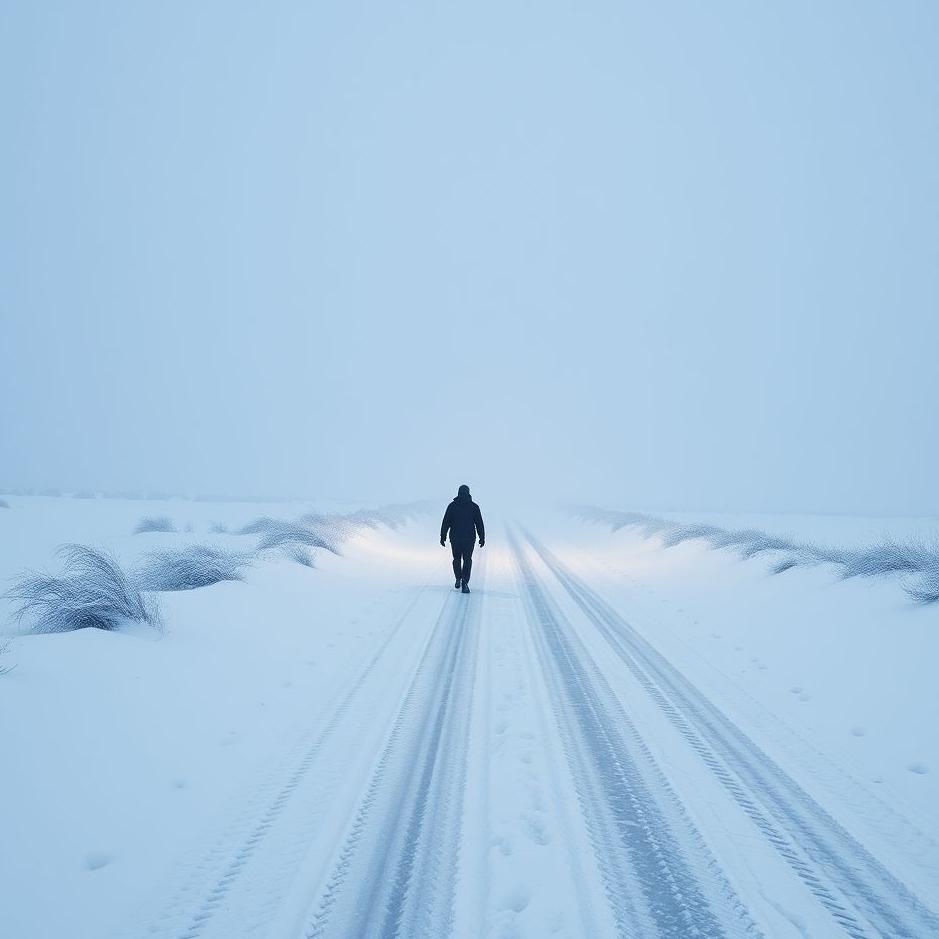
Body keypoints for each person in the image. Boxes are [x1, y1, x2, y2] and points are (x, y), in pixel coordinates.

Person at [440, 484, 485, 593]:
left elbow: (446, 522)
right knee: (467, 560)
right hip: (469, 539)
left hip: (455, 538)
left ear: (458, 492)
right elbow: (479, 524)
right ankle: (465, 582)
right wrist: (482, 537)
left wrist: (443, 536)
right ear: (468, 492)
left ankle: (458, 578)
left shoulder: (452, 506)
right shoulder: (474, 506)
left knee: (456, 559)